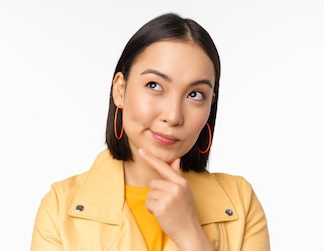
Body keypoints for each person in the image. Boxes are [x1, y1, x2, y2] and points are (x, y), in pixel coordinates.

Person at [30, 13, 270, 251]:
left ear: (211, 105)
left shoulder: (240, 202)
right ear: (120, 90)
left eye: (195, 94)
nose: (173, 115)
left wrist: (190, 235)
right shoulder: (60, 208)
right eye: (154, 86)